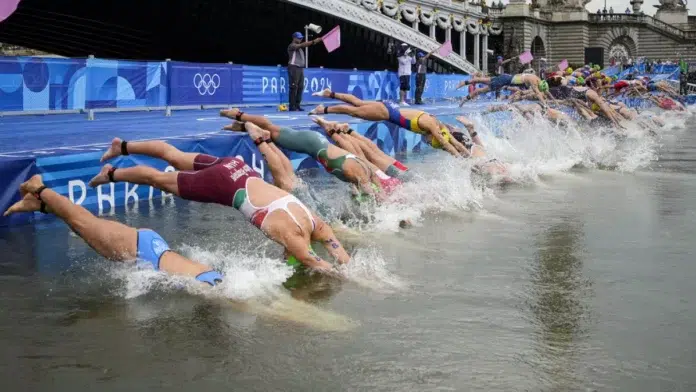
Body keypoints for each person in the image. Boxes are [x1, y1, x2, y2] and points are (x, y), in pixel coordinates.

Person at [88, 136, 350, 272]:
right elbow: (318, 264)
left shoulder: (317, 223)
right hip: (225, 185)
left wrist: (350, 269)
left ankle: (122, 146)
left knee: (176, 157)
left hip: (238, 169)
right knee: (159, 180)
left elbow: (339, 255)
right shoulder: (293, 239)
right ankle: (111, 174)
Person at [4, 175, 224, 286]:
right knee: (84, 224)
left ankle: (40, 205)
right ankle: (39, 187)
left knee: (86, 226)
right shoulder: (220, 289)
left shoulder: (217, 281)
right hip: (143, 252)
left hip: (151, 249)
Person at [220, 109, 387, 201]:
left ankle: (245, 128)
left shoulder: (366, 172)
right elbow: (372, 196)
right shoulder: (359, 175)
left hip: (317, 143)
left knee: (287, 178)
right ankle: (238, 114)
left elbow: (357, 154)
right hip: (311, 143)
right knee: (272, 130)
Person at [309, 89, 470, 157]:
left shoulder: (441, 126)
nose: (427, 142)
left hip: (390, 105)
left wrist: (467, 156)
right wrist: (459, 160)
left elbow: (454, 142)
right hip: (386, 112)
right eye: (430, 142)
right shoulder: (431, 127)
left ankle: (329, 93)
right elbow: (446, 144)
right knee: (353, 111)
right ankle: (323, 110)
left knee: (358, 103)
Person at [287, 31, 323, 111]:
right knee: (293, 87)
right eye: (299, 38)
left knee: (300, 87)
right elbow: (302, 45)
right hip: (294, 67)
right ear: (294, 38)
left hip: (300, 68)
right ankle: (292, 106)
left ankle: (297, 105)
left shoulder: (299, 48)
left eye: (301, 38)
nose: (300, 39)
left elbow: (302, 45)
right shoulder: (292, 46)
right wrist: (313, 41)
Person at [457, 73, 549, 103]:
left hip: (505, 77)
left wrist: (552, 100)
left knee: (483, 80)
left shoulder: (535, 77)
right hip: (504, 81)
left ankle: (464, 83)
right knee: (480, 90)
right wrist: (545, 105)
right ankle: (465, 99)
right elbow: (537, 93)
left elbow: (541, 91)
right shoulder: (533, 81)